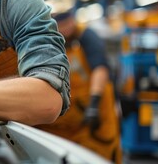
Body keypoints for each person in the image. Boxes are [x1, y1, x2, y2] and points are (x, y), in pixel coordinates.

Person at [36, 9, 122, 163]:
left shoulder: (87, 37)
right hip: (62, 126)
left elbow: (100, 69)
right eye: (61, 25)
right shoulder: (46, 43)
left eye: (69, 23)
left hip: (92, 120)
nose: (67, 28)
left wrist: (94, 104)